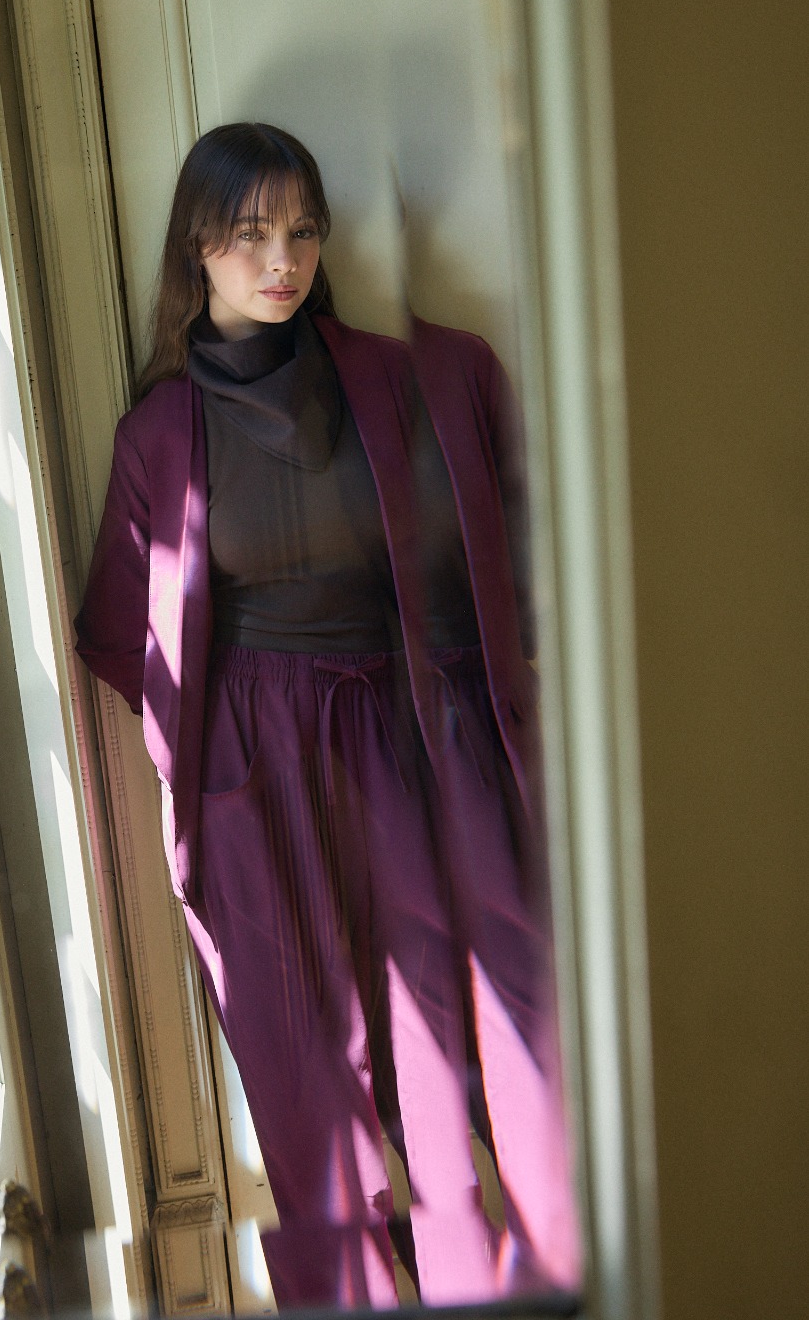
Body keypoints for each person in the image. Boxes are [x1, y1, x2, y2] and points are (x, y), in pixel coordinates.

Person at [75, 123, 579, 1309]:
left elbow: (500, 549)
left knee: (475, 1016)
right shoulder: (161, 432)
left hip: (412, 735)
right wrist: (223, 745)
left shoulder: (400, 380)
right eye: (251, 232)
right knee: (306, 1053)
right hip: (261, 765)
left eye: (302, 231)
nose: (282, 259)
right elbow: (118, 629)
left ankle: (515, 1279)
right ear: (197, 244)